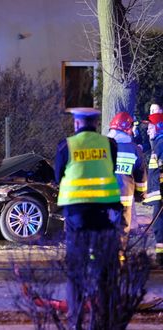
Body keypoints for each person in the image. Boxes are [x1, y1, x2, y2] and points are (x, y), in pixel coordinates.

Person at [55, 107, 122, 329]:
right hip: (104, 215)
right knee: (104, 269)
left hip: (76, 217)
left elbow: (58, 177)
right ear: (95, 123)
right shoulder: (109, 145)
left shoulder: (66, 146)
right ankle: (104, 317)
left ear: (76, 124)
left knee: (76, 270)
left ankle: (76, 319)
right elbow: (110, 170)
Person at [107, 112, 147, 248]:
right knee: (122, 231)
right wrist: (140, 195)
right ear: (127, 128)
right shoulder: (134, 150)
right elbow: (141, 180)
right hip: (124, 200)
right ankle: (119, 260)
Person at [144, 112, 163, 269]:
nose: (148, 129)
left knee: (159, 226)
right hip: (158, 194)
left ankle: (161, 258)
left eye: (150, 126)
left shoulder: (161, 143)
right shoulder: (158, 143)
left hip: (160, 195)